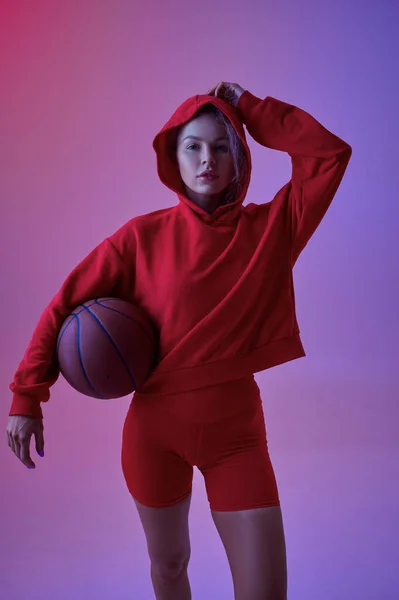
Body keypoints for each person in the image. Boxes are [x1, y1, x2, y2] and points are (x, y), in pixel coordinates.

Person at [6, 81, 352, 600]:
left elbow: (328, 155)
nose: (206, 158)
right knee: (169, 568)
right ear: (175, 155)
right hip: (153, 437)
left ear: (238, 157)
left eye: (221, 145)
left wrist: (251, 109)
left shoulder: (272, 230)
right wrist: (27, 395)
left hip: (236, 437)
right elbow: (64, 304)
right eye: (193, 145)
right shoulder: (138, 238)